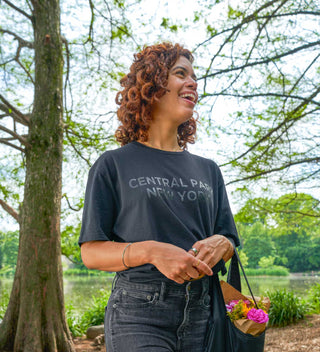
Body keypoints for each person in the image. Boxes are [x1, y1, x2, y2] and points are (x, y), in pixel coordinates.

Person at [79, 42, 240, 352]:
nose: (193, 82)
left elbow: (229, 238)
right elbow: (91, 252)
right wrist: (150, 251)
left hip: (205, 314)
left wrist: (222, 244)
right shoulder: (113, 164)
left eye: (195, 77)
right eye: (181, 73)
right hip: (138, 313)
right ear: (150, 85)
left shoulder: (209, 169)